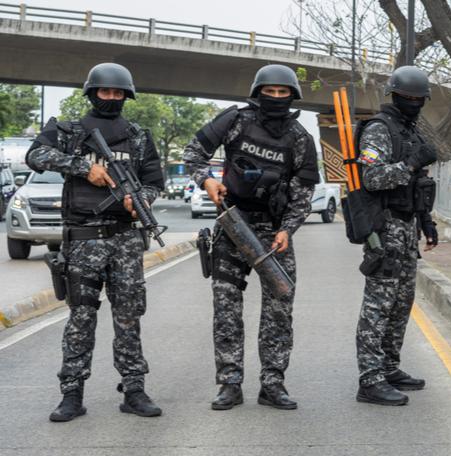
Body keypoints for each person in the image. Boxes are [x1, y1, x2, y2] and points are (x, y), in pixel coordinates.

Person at [27, 63, 164, 421]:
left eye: (119, 93)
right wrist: (82, 167)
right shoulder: (69, 131)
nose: (112, 98)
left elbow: (153, 181)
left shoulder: (138, 136)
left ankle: (134, 390)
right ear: (93, 93)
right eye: (106, 92)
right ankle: (72, 394)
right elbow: (36, 156)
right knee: (81, 318)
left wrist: (143, 199)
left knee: (128, 318)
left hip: (125, 240)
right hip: (84, 239)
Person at [183, 64, 319, 410]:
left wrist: (288, 229)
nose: (275, 97)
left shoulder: (301, 139)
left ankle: (272, 383)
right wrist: (207, 180)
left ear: (292, 96)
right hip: (232, 226)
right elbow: (193, 152)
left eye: (282, 92)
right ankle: (229, 382)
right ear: (258, 92)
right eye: (269, 92)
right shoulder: (234, 121)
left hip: (273, 233)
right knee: (226, 308)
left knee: (279, 310)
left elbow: (303, 194)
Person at [354, 65, 439, 406]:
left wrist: (427, 221)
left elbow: (418, 186)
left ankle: (389, 367)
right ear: (394, 95)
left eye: (419, 99)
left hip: (408, 227)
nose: (414, 103)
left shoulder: (410, 131)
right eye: (408, 97)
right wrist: (411, 164)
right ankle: (370, 379)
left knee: (402, 303)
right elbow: (372, 177)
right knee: (378, 305)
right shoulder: (379, 129)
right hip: (384, 227)